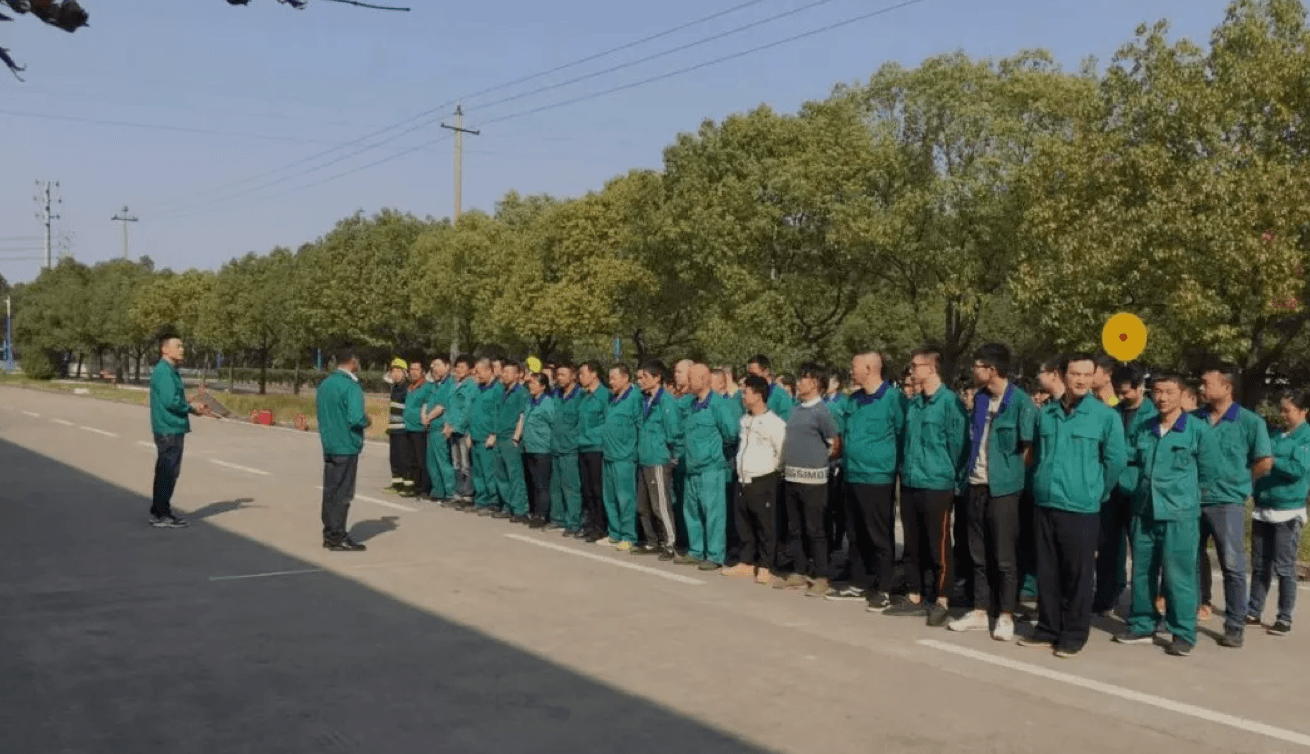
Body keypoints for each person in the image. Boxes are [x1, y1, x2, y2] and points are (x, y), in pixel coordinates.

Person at [1021, 353, 1127, 658]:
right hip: (1046, 502)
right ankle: (1047, 628)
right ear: (1062, 375)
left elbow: (1116, 461)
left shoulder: (1105, 416)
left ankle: (1074, 633)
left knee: (1078, 575)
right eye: (1075, 374)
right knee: (1047, 571)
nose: (1081, 380)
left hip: (1081, 507)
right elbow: (1035, 455)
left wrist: (1097, 491)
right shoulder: (1047, 413)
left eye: (1086, 375)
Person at [1114, 373, 1208, 657]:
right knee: (1142, 572)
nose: (1162, 397)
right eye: (1157, 391)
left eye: (1169, 391)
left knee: (1179, 576)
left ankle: (1183, 632)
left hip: (1179, 515)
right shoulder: (1144, 428)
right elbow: (1129, 460)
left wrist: (1188, 500)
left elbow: (1210, 472)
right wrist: (1130, 486)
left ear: (1182, 394)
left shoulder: (1197, 430)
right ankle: (1143, 623)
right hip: (1144, 511)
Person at [949, 344, 1036, 642]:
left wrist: (1012, 479)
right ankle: (979, 609)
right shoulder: (980, 399)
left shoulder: (1020, 402)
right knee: (977, 553)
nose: (973, 371)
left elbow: (1027, 450)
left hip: (1004, 490)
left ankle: (1006, 614)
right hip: (975, 485)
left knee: (1004, 557)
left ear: (992, 369)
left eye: (978, 366)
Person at [883, 346, 968, 627]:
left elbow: (959, 446)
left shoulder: (950, 403)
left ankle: (942, 599)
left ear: (932, 368)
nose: (911, 371)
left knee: (938, 544)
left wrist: (950, 476)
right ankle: (915, 594)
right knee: (913, 542)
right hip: (911, 481)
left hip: (937, 483)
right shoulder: (915, 404)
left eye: (915, 366)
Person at [1195, 366, 1272, 647]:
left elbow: (1264, 461)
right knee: (1189, 560)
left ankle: (1235, 625)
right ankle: (1186, 615)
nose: (1201, 388)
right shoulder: (1194, 419)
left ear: (1227, 387)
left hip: (1227, 503)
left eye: (1207, 383)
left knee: (1232, 565)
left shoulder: (1250, 422)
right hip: (1193, 500)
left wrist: (1241, 481)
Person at [831, 351, 905, 609]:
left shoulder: (894, 399)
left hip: (877, 477)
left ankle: (883, 587)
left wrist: (891, 465)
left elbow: (901, 433)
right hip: (852, 474)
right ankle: (859, 581)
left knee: (879, 535)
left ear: (870, 368)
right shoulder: (853, 400)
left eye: (854, 367)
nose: (851, 371)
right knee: (855, 533)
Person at [1093, 362, 1158, 617]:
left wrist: (1119, 452)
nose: (1123, 396)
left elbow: (1147, 449)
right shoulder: (1113, 412)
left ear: (1140, 387)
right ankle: (1105, 596)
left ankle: (1142, 605)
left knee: (1141, 550)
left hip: (1138, 488)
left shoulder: (1153, 414)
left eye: (1127, 391)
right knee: (1107, 546)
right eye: (1119, 391)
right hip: (1112, 487)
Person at [774, 363, 843, 597]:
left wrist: (818, 463)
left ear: (815, 383)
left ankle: (822, 574)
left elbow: (834, 444)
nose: (799, 383)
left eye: (803, 379)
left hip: (814, 481)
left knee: (816, 529)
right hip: (792, 477)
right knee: (795, 528)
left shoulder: (822, 411)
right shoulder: (796, 410)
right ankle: (799, 570)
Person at [1247, 390, 1310, 637]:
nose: (1283, 415)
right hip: (1264, 506)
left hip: (1288, 510)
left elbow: (1298, 469)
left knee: (1284, 567)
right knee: (1260, 564)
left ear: (1303, 411)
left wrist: (1273, 462)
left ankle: (1284, 617)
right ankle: (1254, 611)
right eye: (1281, 410)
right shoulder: (1275, 435)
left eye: (1288, 411)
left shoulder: (1306, 437)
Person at [148, 331, 213, 528]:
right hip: (169, 428)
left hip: (171, 426)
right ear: (165, 349)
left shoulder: (170, 370)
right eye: (178, 346)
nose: (182, 349)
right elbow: (171, 401)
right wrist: (192, 408)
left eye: (182, 346)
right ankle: (162, 514)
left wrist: (190, 401)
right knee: (168, 472)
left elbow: (173, 397)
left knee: (166, 472)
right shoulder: (164, 371)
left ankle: (159, 512)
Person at [725, 374, 787, 584]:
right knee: (744, 522)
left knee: (765, 525)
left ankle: (766, 564)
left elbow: (782, 452)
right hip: (743, 479)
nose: (743, 396)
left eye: (746, 392)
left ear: (759, 395)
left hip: (763, 479)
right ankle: (746, 561)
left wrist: (771, 470)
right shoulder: (745, 420)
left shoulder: (774, 423)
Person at [678, 363, 740, 570]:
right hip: (692, 468)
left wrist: (716, 454)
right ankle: (696, 550)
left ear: (704, 379)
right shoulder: (691, 404)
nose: (688, 381)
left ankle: (714, 555)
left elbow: (731, 433)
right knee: (692, 512)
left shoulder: (718, 405)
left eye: (692, 377)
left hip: (711, 468)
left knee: (713, 513)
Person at [317, 348, 371, 551]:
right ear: (352, 362)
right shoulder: (351, 386)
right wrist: (367, 420)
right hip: (346, 444)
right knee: (343, 493)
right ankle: (337, 535)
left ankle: (329, 532)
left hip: (330, 443)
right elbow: (356, 417)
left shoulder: (325, 384)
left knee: (330, 491)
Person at [635, 360, 681, 557]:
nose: (640, 381)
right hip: (644, 457)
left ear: (657, 378)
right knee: (643, 505)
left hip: (658, 459)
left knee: (660, 505)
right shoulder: (645, 400)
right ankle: (651, 540)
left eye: (645, 377)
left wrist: (672, 456)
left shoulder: (666, 401)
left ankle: (669, 543)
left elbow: (673, 432)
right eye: (639, 377)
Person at [600, 364, 642, 550]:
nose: (611, 382)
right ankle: (614, 533)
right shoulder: (612, 398)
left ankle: (628, 536)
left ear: (625, 378)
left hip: (625, 457)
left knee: (626, 499)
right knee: (609, 498)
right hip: (609, 454)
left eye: (614, 378)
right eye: (609, 378)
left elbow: (640, 426)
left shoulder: (635, 398)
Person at [549, 364, 585, 536]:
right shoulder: (556, 394)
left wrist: (575, 441)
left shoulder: (580, 395)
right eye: (558, 374)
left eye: (563, 374)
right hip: (555, 447)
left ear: (573, 376)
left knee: (571, 487)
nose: (560, 378)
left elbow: (581, 422)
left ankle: (573, 522)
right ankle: (558, 518)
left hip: (571, 449)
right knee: (555, 486)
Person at [491, 361, 530, 523]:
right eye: (503, 372)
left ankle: (519, 508)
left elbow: (523, 415)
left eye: (509, 372)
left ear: (517, 374)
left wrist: (516, 436)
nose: (505, 375)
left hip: (511, 437)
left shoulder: (521, 393)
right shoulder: (502, 391)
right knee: (501, 474)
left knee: (515, 475)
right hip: (500, 436)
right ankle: (507, 505)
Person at [577, 362, 611, 542]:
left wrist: (592, 435)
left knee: (598, 489)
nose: (580, 377)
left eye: (583, 373)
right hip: (583, 446)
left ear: (594, 374)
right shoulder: (584, 396)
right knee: (587, 489)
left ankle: (600, 527)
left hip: (596, 448)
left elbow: (607, 422)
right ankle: (589, 524)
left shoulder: (604, 395)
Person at [468, 358, 503, 514]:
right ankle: (481, 499)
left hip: (487, 436)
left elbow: (498, 413)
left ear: (489, 370)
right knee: (478, 472)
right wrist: (469, 433)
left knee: (490, 472)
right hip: (475, 434)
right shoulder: (478, 388)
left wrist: (494, 433)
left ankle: (493, 501)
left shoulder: (497, 389)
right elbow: (472, 411)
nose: (477, 375)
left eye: (479, 372)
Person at [522, 372, 556, 528]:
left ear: (543, 386)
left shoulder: (547, 403)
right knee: (534, 482)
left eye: (534, 383)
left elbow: (553, 423)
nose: (531, 386)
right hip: (530, 447)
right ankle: (535, 512)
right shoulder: (530, 401)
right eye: (530, 383)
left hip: (543, 448)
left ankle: (543, 515)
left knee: (542, 484)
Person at [443, 355, 478, 506]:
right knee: (456, 463)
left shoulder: (471, 386)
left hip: (463, 431)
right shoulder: (454, 385)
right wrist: (447, 424)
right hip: (452, 430)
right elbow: (449, 407)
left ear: (470, 370)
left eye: (463, 367)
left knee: (465, 464)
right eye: (457, 366)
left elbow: (467, 410)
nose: (459, 370)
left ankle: (467, 493)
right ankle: (459, 492)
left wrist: (455, 426)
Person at [422, 357, 458, 503]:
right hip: (431, 427)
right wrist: (424, 416)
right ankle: (438, 491)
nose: (434, 368)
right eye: (432, 366)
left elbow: (442, 406)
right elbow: (427, 402)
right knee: (432, 462)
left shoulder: (449, 384)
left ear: (447, 366)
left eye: (437, 365)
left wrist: (428, 417)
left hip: (440, 427)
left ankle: (449, 492)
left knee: (443, 461)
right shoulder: (435, 385)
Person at [400, 361, 432, 499]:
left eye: (416, 369)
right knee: (411, 459)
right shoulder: (410, 387)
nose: (413, 372)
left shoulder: (426, 386)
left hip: (419, 428)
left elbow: (428, 403)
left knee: (421, 460)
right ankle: (415, 486)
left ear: (422, 371)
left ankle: (424, 488)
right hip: (408, 427)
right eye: (411, 369)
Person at [385, 358, 408, 494]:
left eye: (398, 371)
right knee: (394, 457)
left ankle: (406, 484)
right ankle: (396, 483)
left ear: (405, 373)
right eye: (393, 371)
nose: (395, 374)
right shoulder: (395, 387)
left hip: (403, 428)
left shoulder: (406, 387)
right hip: (394, 428)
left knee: (403, 457)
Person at [748, 355, 794, 421]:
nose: (750, 378)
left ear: (766, 372)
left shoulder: (780, 395)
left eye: (754, 375)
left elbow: (787, 421)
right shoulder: (747, 395)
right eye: (749, 375)